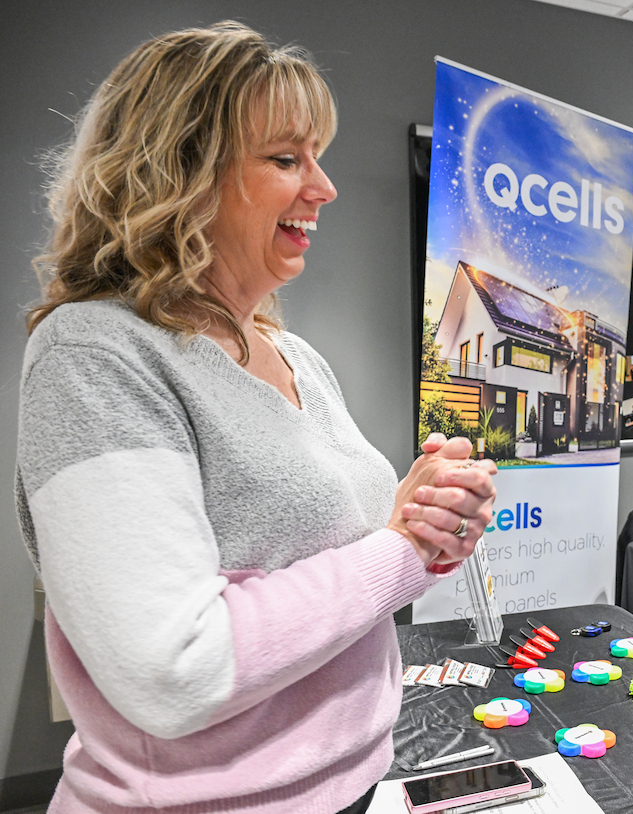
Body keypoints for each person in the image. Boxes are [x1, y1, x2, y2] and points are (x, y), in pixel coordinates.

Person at [16, 23, 497, 814]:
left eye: (317, 155)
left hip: (351, 783)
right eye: (285, 159)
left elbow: (324, 553)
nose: (324, 186)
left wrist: (421, 515)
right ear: (178, 173)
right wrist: (402, 549)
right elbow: (174, 668)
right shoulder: (94, 354)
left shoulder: (293, 354)